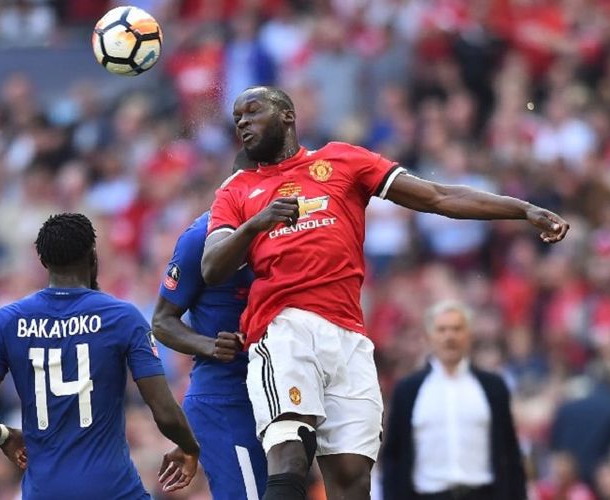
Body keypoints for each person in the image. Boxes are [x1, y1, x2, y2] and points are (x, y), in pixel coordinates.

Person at [201, 85, 569, 500]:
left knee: (354, 478)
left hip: (349, 337)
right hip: (285, 327)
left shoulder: (342, 161)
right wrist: (256, 224)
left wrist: (522, 210)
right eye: (237, 119)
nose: (243, 123)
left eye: (253, 112)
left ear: (287, 115)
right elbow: (212, 267)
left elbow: (437, 196)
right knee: (290, 456)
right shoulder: (236, 190)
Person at [0, 213, 200, 499]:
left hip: (44, 491)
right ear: (93, 257)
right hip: (114, 490)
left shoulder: (7, 321)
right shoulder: (122, 317)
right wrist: (189, 447)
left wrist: (6, 437)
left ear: (44, 263)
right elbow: (164, 411)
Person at [151, 152, 267, 500]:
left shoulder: (288, 233)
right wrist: (208, 345)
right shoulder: (200, 237)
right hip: (227, 399)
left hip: (282, 393)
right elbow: (161, 321)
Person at [382, 300, 527, 500]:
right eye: (442, 329)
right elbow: (394, 457)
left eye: (457, 329)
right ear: (429, 336)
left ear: (469, 335)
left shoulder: (493, 387)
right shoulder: (408, 390)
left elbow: (510, 453)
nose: (449, 336)